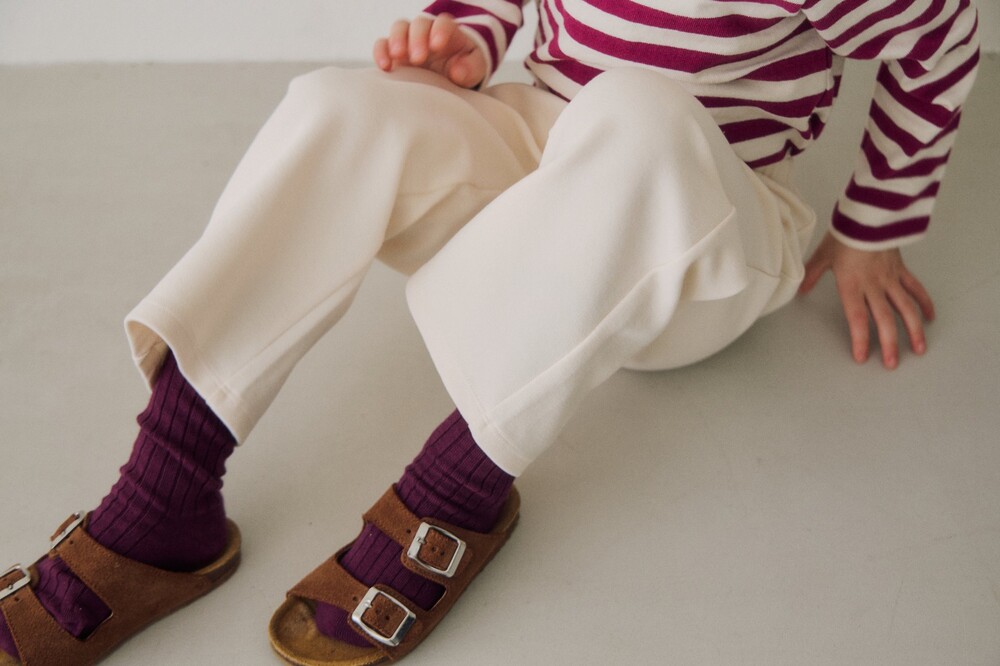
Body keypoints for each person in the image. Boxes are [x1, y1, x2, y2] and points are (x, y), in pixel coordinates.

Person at [0, 0, 980, 664]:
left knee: (638, 111)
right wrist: (466, 35)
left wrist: (874, 229)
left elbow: (940, 37)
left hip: (703, 231)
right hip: (545, 149)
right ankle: (165, 491)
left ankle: (455, 489)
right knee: (340, 105)